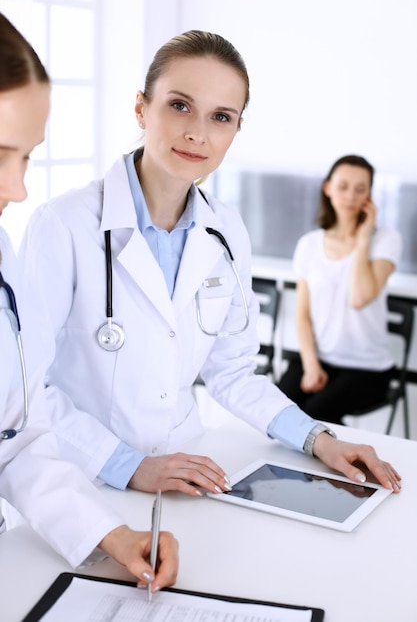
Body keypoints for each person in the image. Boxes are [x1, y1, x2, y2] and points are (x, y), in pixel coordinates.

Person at [18, 31, 401, 498]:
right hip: (80, 478)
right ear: (141, 107)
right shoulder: (63, 224)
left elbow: (234, 372)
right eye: (180, 105)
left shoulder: (226, 229)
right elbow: (23, 385)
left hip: (184, 471)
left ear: (236, 129)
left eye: (221, 117)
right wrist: (127, 465)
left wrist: (318, 438)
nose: (198, 133)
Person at [0, 12, 178, 590]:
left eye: (26, 156)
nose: (18, 188)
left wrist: (110, 534)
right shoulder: (64, 223)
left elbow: (16, 440)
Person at [278, 154, 402, 425]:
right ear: (328, 188)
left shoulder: (385, 240)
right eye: (343, 186)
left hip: (367, 369)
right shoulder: (309, 244)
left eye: (361, 189)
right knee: (279, 410)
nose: (351, 196)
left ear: (370, 195)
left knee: (317, 413)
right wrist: (311, 366)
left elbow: (360, 297)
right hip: (319, 357)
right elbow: (302, 316)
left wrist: (363, 238)